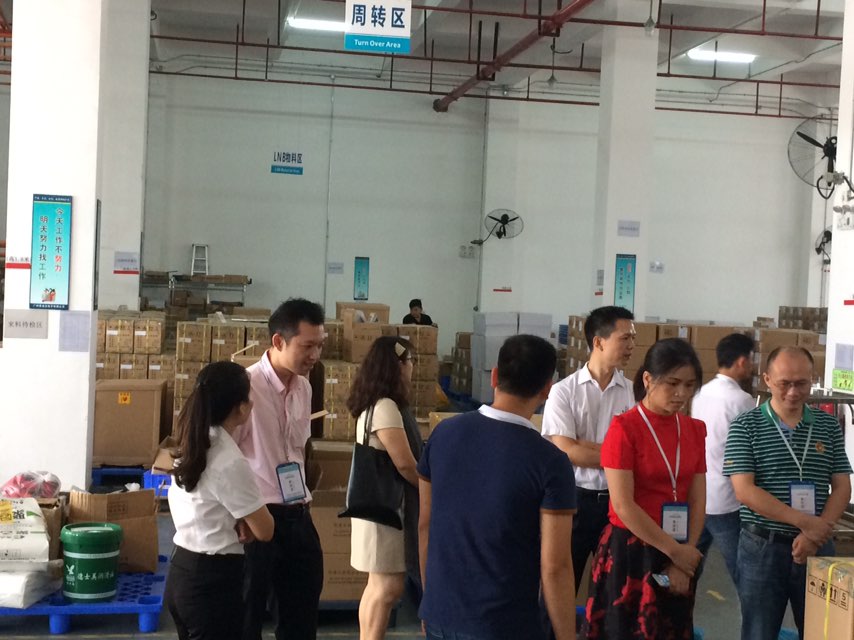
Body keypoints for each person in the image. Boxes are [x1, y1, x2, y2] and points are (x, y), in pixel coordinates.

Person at [419, 335, 578, 640]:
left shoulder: (443, 434)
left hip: (441, 612)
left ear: (494, 376)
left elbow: (425, 524)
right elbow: (555, 567)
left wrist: (430, 602)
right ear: (547, 389)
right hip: (503, 624)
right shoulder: (550, 461)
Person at [724, 346, 852, 640]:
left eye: (802, 383)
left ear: (812, 379)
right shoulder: (745, 426)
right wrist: (806, 523)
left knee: (825, 632)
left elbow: (842, 486)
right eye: (784, 384)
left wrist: (815, 534)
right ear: (767, 379)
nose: (793, 392)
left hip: (818, 545)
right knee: (759, 631)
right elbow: (744, 490)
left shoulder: (827, 425)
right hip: (763, 548)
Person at [585, 338, 707, 640]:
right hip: (633, 550)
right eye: (673, 384)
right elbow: (623, 505)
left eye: (689, 385)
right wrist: (675, 552)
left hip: (680, 548)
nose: (682, 394)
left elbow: (697, 498)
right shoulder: (624, 429)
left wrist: (684, 556)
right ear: (648, 379)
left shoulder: (694, 430)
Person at [165, 361, 275, 640]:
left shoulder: (193, 441)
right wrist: (247, 520)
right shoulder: (229, 459)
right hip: (212, 584)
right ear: (242, 408)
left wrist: (237, 518)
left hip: (182, 572)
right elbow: (265, 530)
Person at [237, 298, 326, 640]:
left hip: (298, 515)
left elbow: (298, 449)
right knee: (246, 619)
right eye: (307, 346)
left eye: (319, 345)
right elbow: (225, 456)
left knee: (301, 620)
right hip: (257, 519)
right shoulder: (245, 387)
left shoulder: (304, 387)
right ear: (278, 341)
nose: (315, 355)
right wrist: (237, 514)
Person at [541, 305, 636, 593]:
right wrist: (617, 455)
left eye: (633, 338)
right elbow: (567, 452)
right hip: (574, 501)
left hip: (619, 502)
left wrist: (582, 445)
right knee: (561, 581)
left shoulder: (633, 393)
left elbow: (638, 452)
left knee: (615, 588)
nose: (632, 346)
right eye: (625, 338)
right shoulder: (564, 391)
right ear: (599, 342)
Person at [347, 336, 423, 640]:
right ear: (398, 365)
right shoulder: (387, 407)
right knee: (388, 587)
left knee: (377, 587)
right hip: (386, 512)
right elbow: (405, 464)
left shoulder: (375, 403)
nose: (413, 368)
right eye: (411, 361)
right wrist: (430, 489)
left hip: (378, 509)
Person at [690, 333, 756, 586]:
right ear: (742, 361)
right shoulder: (742, 401)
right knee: (743, 572)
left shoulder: (700, 394)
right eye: (751, 359)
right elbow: (751, 449)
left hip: (699, 494)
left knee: (688, 567)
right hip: (728, 499)